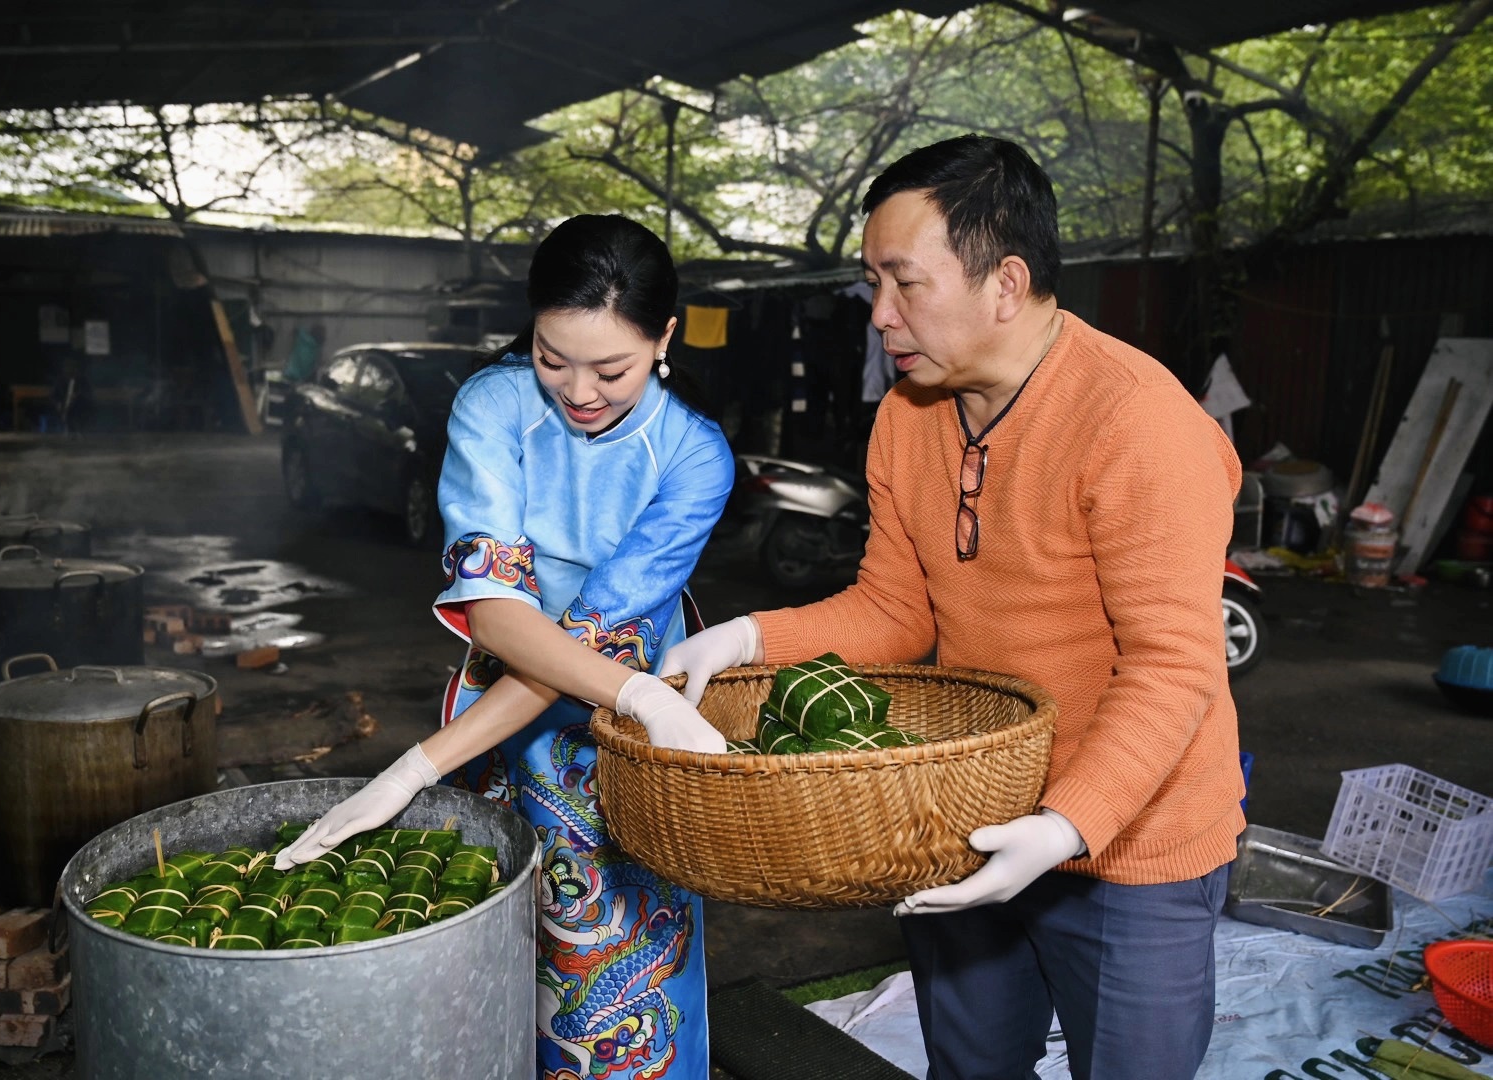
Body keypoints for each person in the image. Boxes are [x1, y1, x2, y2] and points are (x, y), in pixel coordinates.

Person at [660, 135, 1244, 1080]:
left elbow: (1175, 666)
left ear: (1005, 283)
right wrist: (748, 638)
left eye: (905, 283)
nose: (880, 316)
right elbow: (898, 609)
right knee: (972, 1068)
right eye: (871, 285)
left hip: (1137, 843)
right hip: (971, 814)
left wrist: (1067, 826)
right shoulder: (910, 414)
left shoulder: (1138, 424)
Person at [276, 214, 734, 1078]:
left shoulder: (694, 458)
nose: (579, 390)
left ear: (665, 337)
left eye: (612, 368)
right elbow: (499, 619)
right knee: (482, 955)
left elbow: (590, 638)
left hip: (636, 739)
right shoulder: (492, 405)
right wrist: (422, 768)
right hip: (501, 719)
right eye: (552, 358)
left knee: (626, 973)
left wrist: (635, 698)